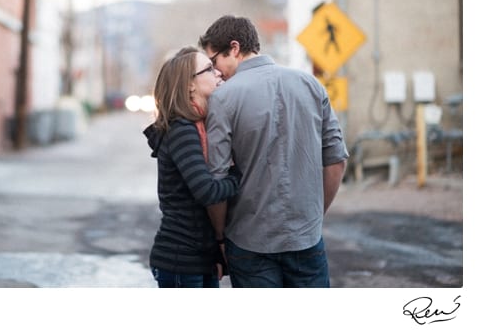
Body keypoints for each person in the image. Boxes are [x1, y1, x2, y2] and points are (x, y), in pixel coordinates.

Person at [198, 15, 348, 287]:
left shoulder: (223, 98)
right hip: (306, 238)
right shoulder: (311, 84)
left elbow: (217, 178)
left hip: (249, 241)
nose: (216, 71)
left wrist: (220, 236)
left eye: (214, 61)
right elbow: (336, 161)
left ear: (234, 48)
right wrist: (313, 217)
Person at [143, 46, 242, 288]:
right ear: (190, 85)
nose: (217, 73)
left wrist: (214, 254)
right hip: (180, 260)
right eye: (209, 69)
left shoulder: (200, 126)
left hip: (200, 257)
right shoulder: (182, 130)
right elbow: (206, 191)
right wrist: (240, 175)